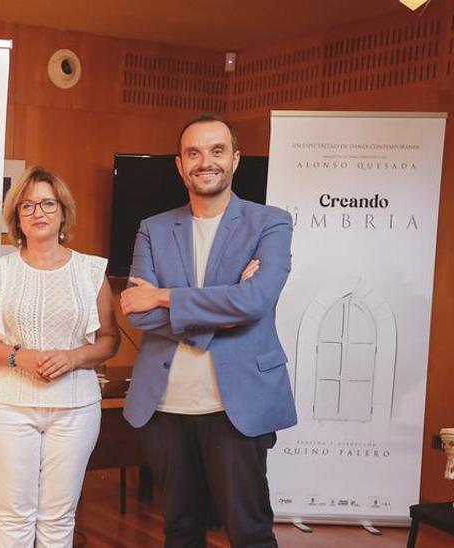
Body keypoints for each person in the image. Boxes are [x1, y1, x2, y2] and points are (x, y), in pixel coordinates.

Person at [121, 113, 295, 547]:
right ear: (180, 165)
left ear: (235, 159)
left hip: (236, 404)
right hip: (165, 405)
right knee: (179, 530)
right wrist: (227, 305)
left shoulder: (270, 223)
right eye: (193, 153)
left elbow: (255, 302)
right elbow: (135, 313)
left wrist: (164, 297)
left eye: (217, 151)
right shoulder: (154, 228)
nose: (205, 162)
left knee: (249, 532)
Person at [0, 166, 120, 547]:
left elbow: (110, 339)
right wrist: (20, 357)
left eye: (48, 204)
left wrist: (73, 357)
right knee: (15, 515)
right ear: (17, 217)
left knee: (58, 517)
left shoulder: (90, 271)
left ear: (63, 212)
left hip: (76, 408)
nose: (38, 213)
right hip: (9, 408)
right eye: (28, 206)